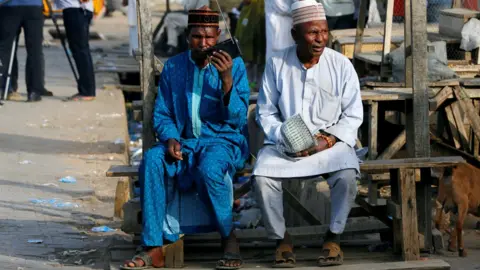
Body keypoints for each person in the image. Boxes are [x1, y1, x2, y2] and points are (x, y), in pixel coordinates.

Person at [121, 6, 250, 270]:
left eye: (209, 37)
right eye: (197, 37)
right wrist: (169, 138)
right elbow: (163, 113)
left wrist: (226, 81)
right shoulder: (174, 67)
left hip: (222, 141)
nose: (203, 43)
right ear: (187, 37)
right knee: (153, 161)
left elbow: (237, 120)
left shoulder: (234, 66)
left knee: (210, 169)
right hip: (186, 143)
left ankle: (229, 238)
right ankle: (154, 246)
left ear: (218, 36)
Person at [252, 0, 363, 267]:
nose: (320, 39)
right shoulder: (277, 63)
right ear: (294, 35)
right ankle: (282, 239)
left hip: (330, 144)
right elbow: (265, 112)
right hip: (286, 145)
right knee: (261, 177)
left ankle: (333, 237)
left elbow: (353, 114)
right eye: (313, 33)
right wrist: (285, 137)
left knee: (347, 176)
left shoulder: (341, 65)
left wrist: (325, 140)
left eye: (324, 32)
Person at [0, 0, 46, 102]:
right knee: (35, 49)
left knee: (4, 49)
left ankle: (4, 87)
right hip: (33, 6)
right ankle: (34, 91)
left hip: (9, 6)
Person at [55, 0, 96, 101]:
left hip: (77, 10)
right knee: (78, 50)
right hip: (74, 9)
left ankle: (87, 91)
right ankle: (85, 89)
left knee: (81, 50)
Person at [234, 0, 266, 91]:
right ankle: (248, 84)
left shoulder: (258, 6)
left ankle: (258, 84)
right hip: (245, 44)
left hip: (258, 42)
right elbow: (240, 27)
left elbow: (259, 25)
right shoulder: (245, 9)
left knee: (259, 63)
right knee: (247, 64)